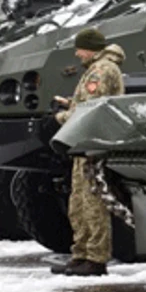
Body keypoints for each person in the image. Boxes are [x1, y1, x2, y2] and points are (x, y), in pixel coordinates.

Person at [50, 27, 125, 276]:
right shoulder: (95, 68)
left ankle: (96, 258)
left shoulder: (102, 70)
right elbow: (84, 104)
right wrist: (69, 105)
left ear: (91, 49)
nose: (77, 54)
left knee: (93, 204)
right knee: (78, 203)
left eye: (80, 49)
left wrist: (61, 117)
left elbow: (92, 109)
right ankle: (81, 254)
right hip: (83, 144)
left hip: (93, 144)